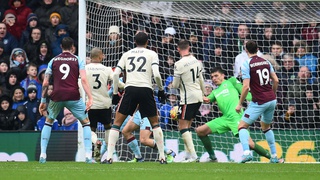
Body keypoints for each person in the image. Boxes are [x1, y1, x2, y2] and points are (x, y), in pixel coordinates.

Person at [104, 32, 167, 164]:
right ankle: (162, 157)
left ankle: (109, 157)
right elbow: (156, 74)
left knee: (116, 124)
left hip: (130, 89)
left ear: (134, 42)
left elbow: (116, 74)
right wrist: (161, 90)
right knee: (155, 124)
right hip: (146, 90)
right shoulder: (152, 54)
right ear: (147, 42)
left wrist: (115, 93)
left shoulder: (127, 54)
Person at [196, 67, 278, 163]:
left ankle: (273, 159)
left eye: (216, 76)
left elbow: (245, 91)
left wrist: (258, 99)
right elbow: (207, 100)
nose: (214, 78)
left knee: (250, 144)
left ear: (223, 75)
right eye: (212, 77)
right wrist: (196, 94)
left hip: (237, 117)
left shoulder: (231, 81)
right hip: (225, 119)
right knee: (200, 131)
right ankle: (213, 158)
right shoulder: (215, 92)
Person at [38, 37, 94, 164]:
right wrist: (90, 97)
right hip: (73, 95)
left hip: (57, 95)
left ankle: (43, 154)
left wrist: (42, 101)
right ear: (72, 47)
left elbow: (46, 82)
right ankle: (88, 155)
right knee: (85, 122)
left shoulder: (53, 60)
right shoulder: (77, 59)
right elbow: (84, 80)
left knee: (49, 121)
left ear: (61, 47)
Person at [235, 40, 282, 163]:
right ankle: (274, 156)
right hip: (271, 99)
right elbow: (276, 80)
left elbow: (245, 87)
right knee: (266, 127)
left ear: (246, 50)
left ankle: (246, 153)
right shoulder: (266, 62)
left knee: (242, 126)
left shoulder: (246, 64)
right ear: (258, 49)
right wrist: (272, 93)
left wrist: (240, 103)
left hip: (259, 101)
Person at [171, 39, 205, 162]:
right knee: (188, 125)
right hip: (198, 97)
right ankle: (187, 155)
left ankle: (194, 156)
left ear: (178, 49)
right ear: (189, 47)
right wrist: (204, 94)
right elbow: (201, 79)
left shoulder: (178, 64)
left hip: (187, 98)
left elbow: (175, 85)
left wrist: (173, 84)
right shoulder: (197, 61)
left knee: (182, 126)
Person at [85, 47, 119, 161]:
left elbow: (80, 83)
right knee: (108, 126)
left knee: (91, 129)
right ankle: (109, 154)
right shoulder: (107, 69)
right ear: (100, 56)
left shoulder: (85, 69)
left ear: (90, 57)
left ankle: (96, 142)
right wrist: (117, 91)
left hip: (91, 104)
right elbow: (115, 78)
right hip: (105, 104)